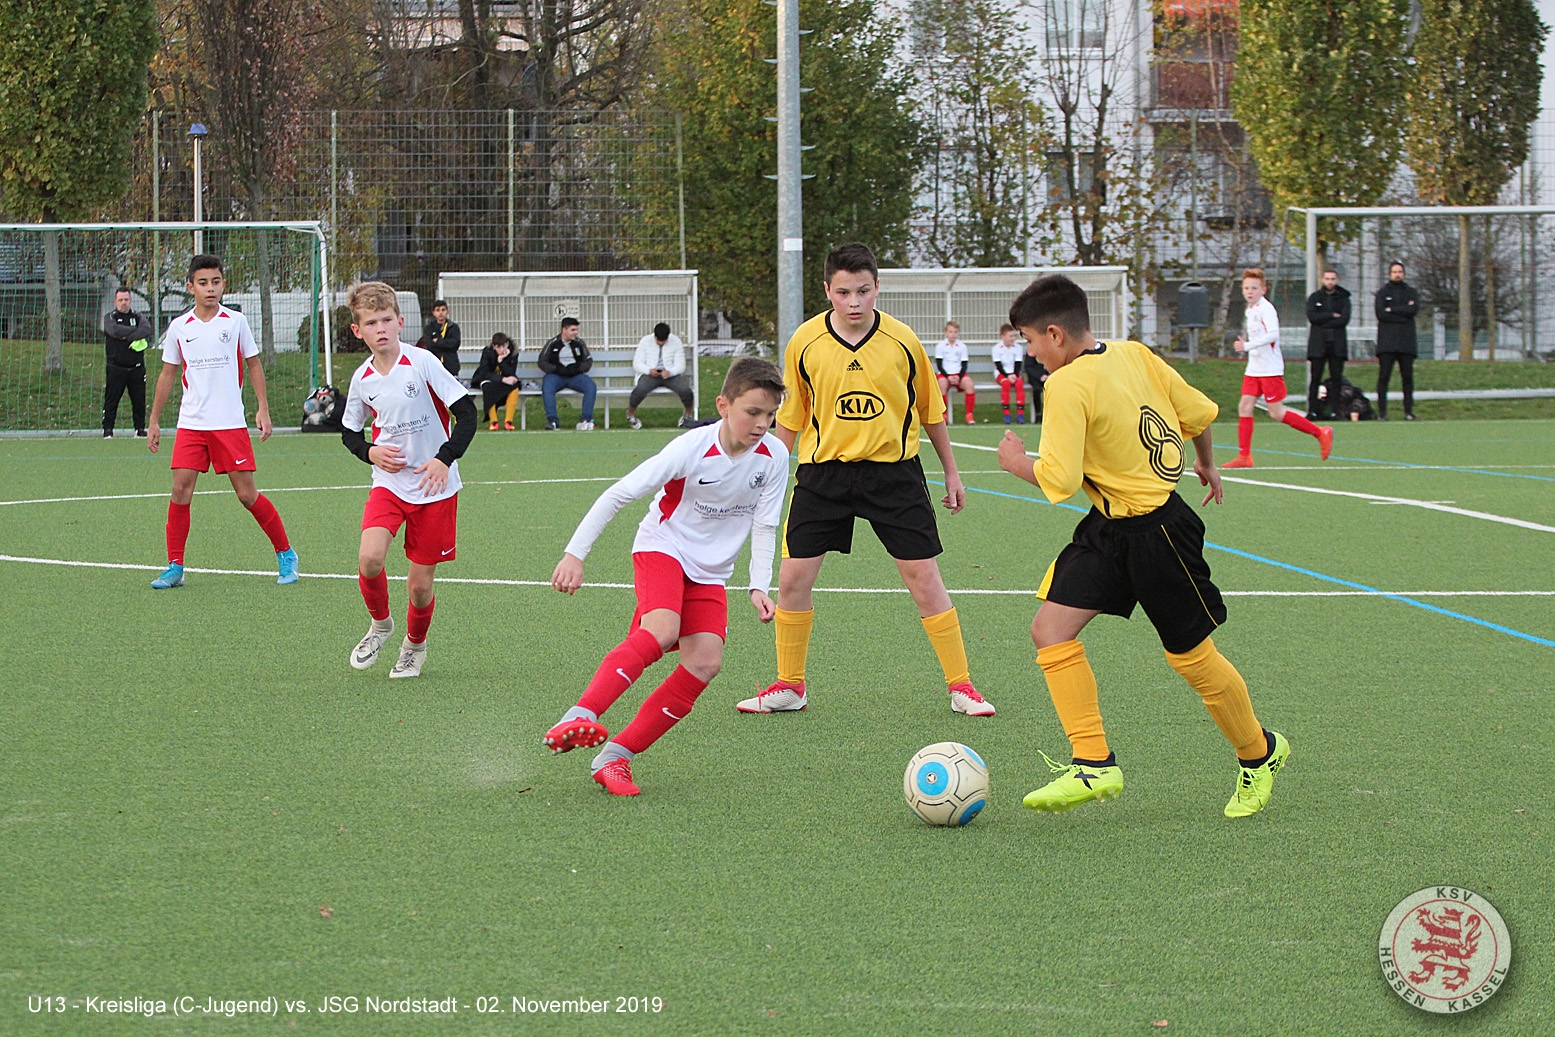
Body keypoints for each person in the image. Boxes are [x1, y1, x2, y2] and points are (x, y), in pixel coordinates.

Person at [995, 273, 1290, 818]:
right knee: (1050, 630)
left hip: (1159, 536)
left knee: (1192, 659)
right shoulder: (1134, 352)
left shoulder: (1064, 385)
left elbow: (1058, 479)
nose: (1030, 354)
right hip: (1108, 529)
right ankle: (1093, 762)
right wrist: (1206, 461)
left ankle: (1260, 753)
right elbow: (1198, 414)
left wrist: (1015, 463)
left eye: (1030, 342)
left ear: (1055, 334)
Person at [739, 242, 994, 718]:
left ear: (878, 287)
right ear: (827, 290)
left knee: (924, 578)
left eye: (863, 291)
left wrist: (952, 471)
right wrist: (762, 474)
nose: (853, 302)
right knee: (793, 579)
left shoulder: (903, 341)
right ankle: (790, 685)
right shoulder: (805, 342)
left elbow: (931, 411)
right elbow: (791, 419)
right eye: (843, 292)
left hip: (893, 475)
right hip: (823, 474)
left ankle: (962, 686)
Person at [543, 358, 790, 796]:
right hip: (663, 545)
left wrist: (758, 585)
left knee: (705, 663)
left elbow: (766, 524)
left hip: (710, 571)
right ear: (723, 405)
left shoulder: (774, 456)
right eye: (752, 412)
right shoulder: (690, 448)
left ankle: (615, 758)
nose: (762, 424)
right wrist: (574, 555)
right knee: (662, 629)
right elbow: (619, 494)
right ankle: (579, 715)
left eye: (770, 415)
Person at [339, 281, 478, 678]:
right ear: (358, 331)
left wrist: (444, 459)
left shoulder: (422, 362)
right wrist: (370, 452)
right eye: (371, 323)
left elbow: (467, 415)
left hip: (435, 488)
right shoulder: (362, 379)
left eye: (386, 320)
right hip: (389, 484)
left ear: (400, 322)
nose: (380, 328)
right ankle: (381, 625)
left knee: (419, 587)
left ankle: (414, 646)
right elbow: (349, 432)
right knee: (369, 558)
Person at [146, 254, 297, 589]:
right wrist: (154, 420)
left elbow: (254, 365)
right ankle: (175, 566)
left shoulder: (236, 322)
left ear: (223, 284)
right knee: (180, 490)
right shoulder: (180, 327)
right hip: (191, 423)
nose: (210, 288)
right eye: (203, 283)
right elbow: (168, 374)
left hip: (229, 423)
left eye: (215, 282)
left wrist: (263, 408)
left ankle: (286, 553)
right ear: (191, 287)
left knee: (246, 495)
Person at [1221, 268, 1332, 469]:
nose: (1249, 291)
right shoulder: (1250, 310)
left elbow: (1273, 334)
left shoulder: (1267, 309)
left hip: (1270, 370)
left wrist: (1247, 346)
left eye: (1254, 288)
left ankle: (1320, 433)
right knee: (1244, 406)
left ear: (1263, 290)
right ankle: (1244, 456)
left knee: (1276, 413)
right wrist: (1249, 347)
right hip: (1254, 369)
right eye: (1246, 288)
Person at [102, 287, 152, 438]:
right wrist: (134, 332)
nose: (123, 303)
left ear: (130, 300)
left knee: (139, 400)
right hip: (116, 367)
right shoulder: (110, 317)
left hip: (136, 367)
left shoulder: (138, 316)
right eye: (120, 300)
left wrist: (127, 336)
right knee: (111, 400)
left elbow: (146, 329)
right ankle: (108, 430)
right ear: (115, 301)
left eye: (126, 300)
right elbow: (114, 330)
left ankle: (140, 429)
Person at [626, 321, 695, 429]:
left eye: (664, 340)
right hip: (650, 374)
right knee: (640, 390)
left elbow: (681, 365)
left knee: (685, 390)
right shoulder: (645, 341)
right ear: (654, 336)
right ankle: (630, 414)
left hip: (670, 375)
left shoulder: (676, 341)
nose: (661, 343)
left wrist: (670, 372)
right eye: (659, 340)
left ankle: (688, 415)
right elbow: (637, 363)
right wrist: (649, 370)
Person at [1374, 261, 1421, 421]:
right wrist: (1403, 313)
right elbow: (1381, 314)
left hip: (1406, 342)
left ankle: (1408, 412)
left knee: (1407, 378)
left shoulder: (1411, 292)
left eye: (1400, 271)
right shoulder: (1382, 293)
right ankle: (1382, 413)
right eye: (1394, 272)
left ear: (1404, 274)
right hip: (1387, 343)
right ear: (1390, 274)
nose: (1397, 274)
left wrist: (1392, 309)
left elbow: (1413, 310)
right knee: (1384, 377)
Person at [1305, 268, 1350, 420]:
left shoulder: (1343, 298)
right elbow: (1312, 317)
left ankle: (1336, 411)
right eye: (1327, 279)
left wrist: (1323, 320)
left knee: (1336, 378)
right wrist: (1331, 315)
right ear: (1322, 280)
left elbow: (1344, 319)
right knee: (1315, 378)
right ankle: (1312, 411)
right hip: (1318, 344)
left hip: (1337, 345)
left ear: (1337, 280)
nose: (1330, 282)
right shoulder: (1315, 297)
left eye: (1333, 279)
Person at [538, 316, 597, 431]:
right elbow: (542, 362)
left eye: (577, 330)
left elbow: (588, 361)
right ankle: (553, 421)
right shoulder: (553, 343)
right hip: (556, 376)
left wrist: (577, 368)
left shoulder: (579, 343)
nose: (575, 333)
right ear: (564, 330)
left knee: (591, 387)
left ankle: (585, 420)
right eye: (572, 330)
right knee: (547, 386)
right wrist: (556, 369)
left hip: (575, 376)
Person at [472, 331, 520, 430]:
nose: (501, 349)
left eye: (504, 346)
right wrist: (502, 379)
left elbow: (511, 372)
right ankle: (493, 422)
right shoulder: (487, 352)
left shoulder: (513, 353)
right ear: (494, 346)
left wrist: (501, 361)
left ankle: (508, 421)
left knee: (515, 387)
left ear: (507, 344)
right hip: (488, 380)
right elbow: (484, 373)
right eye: (498, 347)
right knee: (488, 388)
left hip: (503, 382)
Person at [934, 320, 976, 424]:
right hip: (945, 375)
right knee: (941, 384)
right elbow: (939, 365)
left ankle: (969, 415)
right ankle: (943, 415)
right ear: (945, 332)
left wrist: (958, 377)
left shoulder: (962, 346)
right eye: (951, 332)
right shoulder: (940, 346)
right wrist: (948, 376)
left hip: (959, 374)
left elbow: (964, 365)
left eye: (956, 332)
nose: (953, 334)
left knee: (969, 384)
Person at [991, 322, 1027, 424]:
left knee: (1019, 383)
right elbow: (998, 365)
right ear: (1003, 336)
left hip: (1015, 374)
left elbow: (1018, 363)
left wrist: (1014, 375)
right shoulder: (996, 348)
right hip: (1002, 374)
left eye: (1014, 336)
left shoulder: (1018, 348)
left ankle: (1020, 414)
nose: (1013, 338)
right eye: (1010, 336)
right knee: (1006, 383)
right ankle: (1006, 414)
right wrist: (1007, 376)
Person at [422, 299, 462, 378]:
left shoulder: (453, 327)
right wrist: (446, 344)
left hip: (451, 366)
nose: (440, 313)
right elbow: (429, 345)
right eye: (438, 310)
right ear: (434, 313)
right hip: (434, 366)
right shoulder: (429, 328)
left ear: (447, 311)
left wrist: (438, 341)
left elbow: (455, 344)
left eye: (443, 310)